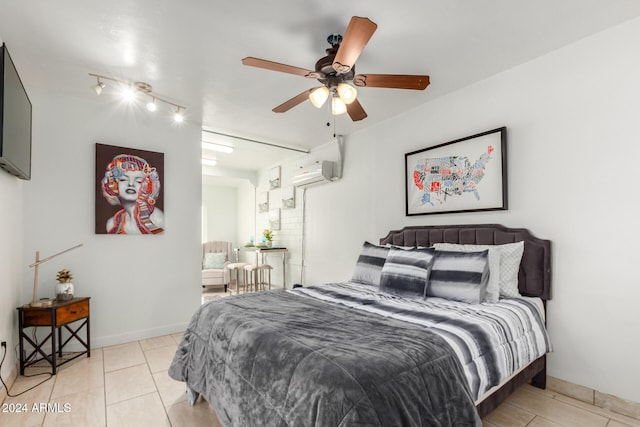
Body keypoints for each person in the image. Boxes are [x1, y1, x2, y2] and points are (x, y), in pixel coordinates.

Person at [101, 154, 164, 234]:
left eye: (138, 181)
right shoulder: (112, 224)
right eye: (124, 179)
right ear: (114, 185)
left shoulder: (157, 219)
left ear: (147, 186)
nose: (131, 184)